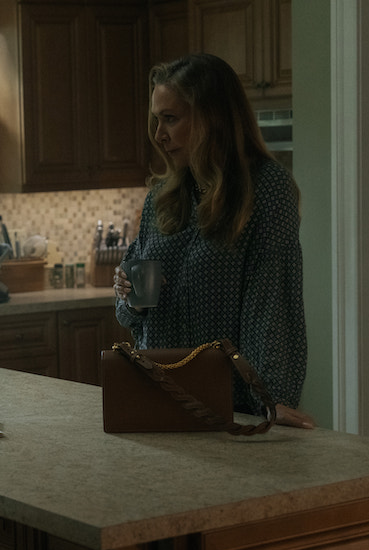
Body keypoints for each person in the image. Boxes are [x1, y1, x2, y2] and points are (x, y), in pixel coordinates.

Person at [113, 53, 315, 429]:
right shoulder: (162, 198)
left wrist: (273, 399)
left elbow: (273, 302)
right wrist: (126, 293)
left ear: (212, 118)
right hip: (157, 397)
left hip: (229, 407)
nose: (159, 134)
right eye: (157, 120)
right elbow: (130, 314)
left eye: (171, 119)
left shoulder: (265, 190)